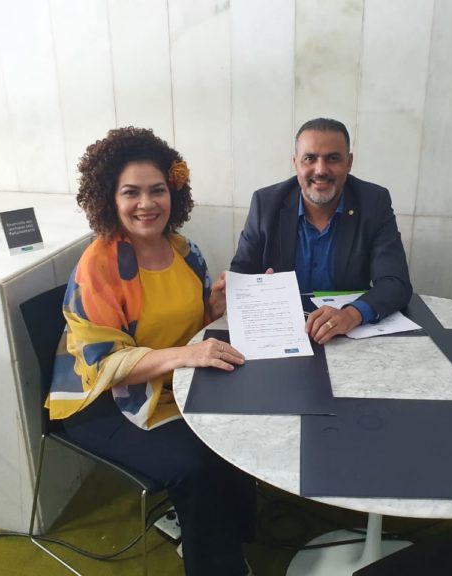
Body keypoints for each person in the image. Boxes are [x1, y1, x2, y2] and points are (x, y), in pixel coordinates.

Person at [47, 127, 255, 576]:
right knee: (197, 464)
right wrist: (186, 356)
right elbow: (106, 366)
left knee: (238, 430)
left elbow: (190, 329)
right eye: (131, 192)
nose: (147, 203)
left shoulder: (184, 250)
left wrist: (215, 307)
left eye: (157, 190)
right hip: (100, 403)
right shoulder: (99, 265)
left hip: (170, 383)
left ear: (173, 193)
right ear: (109, 198)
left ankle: (225, 534)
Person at [230, 117, 413, 344]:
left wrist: (352, 314)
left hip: (348, 337)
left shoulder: (373, 202)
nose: (321, 170)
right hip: (282, 334)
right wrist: (246, 289)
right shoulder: (266, 203)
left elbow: (395, 282)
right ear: (296, 163)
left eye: (333, 158)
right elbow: (240, 276)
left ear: (349, 162)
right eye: (309, 158)